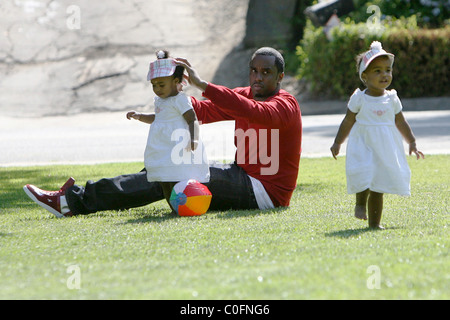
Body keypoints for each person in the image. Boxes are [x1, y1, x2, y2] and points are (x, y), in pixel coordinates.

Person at [23, 47, 302, 217]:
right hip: (241, 176)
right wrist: (174, 91)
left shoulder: (286, 105)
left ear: (280, 77)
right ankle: (75, 199)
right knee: (168, 167)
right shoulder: (244, 96)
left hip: (265, 193)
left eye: (266, 72)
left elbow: (255, 113)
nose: (258, 77)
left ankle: (73, 201)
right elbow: (200, 111)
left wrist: (204, 85)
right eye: (254, 71)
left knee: (173, 171)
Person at [330, 41, 424, 229]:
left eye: (387, 70)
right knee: (364, 172)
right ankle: (359, 204)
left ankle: (374, 224)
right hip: (363, 143)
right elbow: (348, 121)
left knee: (378, 186)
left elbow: (400, 121)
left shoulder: (392, 98)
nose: (384, 75)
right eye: (377, 71)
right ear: (364, 76)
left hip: (385, 146)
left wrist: (412, 141)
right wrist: (338, 142)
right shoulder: (359, 98)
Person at [126, 50, 209, 213]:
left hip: (178, 146)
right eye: (154, 85)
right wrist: (140, 116)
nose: (157, 89)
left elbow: (192, 119)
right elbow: (158, 118)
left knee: (178, 178)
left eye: (161, 85)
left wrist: (194, 139)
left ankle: (184, 206)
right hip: (163, 146)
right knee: (164, 179)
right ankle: (174, 208)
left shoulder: (180, 99)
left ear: (176, 81)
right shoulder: (159, 101)